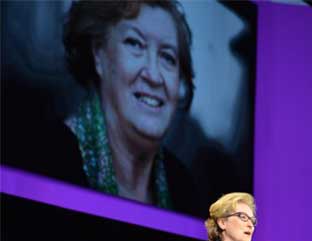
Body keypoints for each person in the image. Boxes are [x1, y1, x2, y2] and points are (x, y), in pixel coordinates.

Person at [31, 0, 198, 213]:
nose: (154, 76)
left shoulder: (185, 191)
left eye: (168, 57)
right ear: (99, 55)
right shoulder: (45, 161)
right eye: (135, 44)